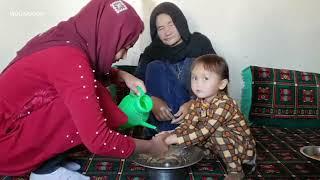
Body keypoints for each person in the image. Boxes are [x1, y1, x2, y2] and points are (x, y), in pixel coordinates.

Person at [0, 0, 169, 179]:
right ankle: (45, 172)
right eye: (124, 47)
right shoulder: (69, 59)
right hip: (5, 145)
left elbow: (79, 70)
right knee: (89, 102)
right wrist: (152, 147)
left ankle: (49, 161)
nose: (123, 55)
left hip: (12, 128)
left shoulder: (68, 36)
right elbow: (98, 139)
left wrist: (122, 76)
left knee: (83, 94)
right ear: (108, 35)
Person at [163, 54, 256, 180]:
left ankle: (236, 171)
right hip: (219, 143)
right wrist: (170, 135)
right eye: (194, 78)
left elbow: (206, 132)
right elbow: (188, 124)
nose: (197, 84)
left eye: (205, 78)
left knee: (215, 132)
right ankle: (211, 153)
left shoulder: (225, 104)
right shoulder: (198, 102)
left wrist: (178, 139)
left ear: (222, 84)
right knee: (195, 127)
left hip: (242, 150)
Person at [134, 2, 216, 132]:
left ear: (180, 23)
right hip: (162, 119)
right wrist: (151, 100)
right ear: (155, 32)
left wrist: (194, 104)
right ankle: (168, 135)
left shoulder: (199, 43)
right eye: (160, 28)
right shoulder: (152, 51)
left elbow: (217, 79)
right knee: (154, 67)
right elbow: (136, 84)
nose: (167, 32)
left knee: (195, 63)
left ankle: (184, 135)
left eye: (171, 24)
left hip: (197, 113)